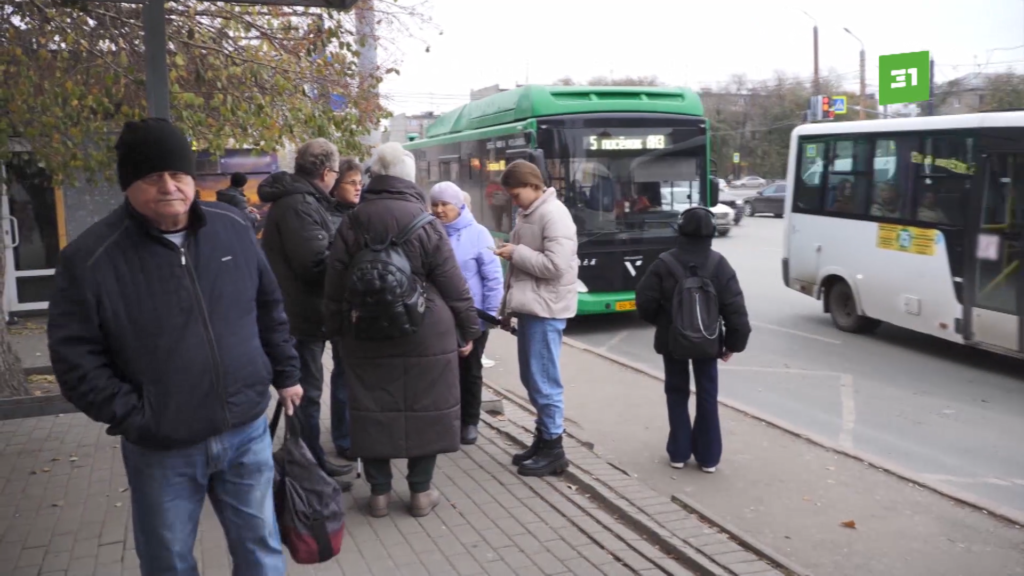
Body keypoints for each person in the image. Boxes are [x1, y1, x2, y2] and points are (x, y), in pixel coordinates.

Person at [47, 118, 302, 575]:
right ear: (128, 185)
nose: (168, 186)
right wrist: (138, 415)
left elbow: (268, 306)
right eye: (151, 177)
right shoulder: (90, 259)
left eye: (178, 174)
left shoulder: (232, 227)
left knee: (261, 551)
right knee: (168, 562)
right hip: (162, 449)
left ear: (192, 179)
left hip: (245, 430)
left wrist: (286, 373)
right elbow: (75, 359)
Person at [324, 143, 479, 518]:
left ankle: (378, 493)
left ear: (375, 174)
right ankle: (421, 492)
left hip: (366, 329)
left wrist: (335, 330)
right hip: (427, 329)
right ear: (411, 178)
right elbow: (453, 284)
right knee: (427, 408)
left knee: (371, 407)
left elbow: (334, 283)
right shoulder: (427, 224)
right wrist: (469, 327)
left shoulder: (353, 220)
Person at [258, 138, 355, 485]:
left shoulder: (302, 200)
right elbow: (315, 264)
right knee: (306, 395)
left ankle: (310, 460)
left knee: (307, 394)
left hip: (305, 314)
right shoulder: (300, 204)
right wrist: (350, 254)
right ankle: (307, 468)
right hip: (301, 316)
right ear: (327, 172)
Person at [635, 207, 751, 473]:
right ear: (711, 232)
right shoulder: (719, 265)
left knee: (676, 392)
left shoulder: (664, 263)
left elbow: (644, 301)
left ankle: (678, 453)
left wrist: (663, 323)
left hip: (672, 340)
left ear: (679, 230)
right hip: (709, 341)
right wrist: (733, 344)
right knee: (707, 394)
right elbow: (735, 309)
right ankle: (709, 457)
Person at [494, 160, 579, 477]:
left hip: (546, 308)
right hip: (536, 306)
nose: (514, 201)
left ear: (533, 186)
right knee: (534, 378)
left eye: (516, 194)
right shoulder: (532, 212)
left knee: (543, 380)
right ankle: (544, 440)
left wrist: (515, 252)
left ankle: (553, 448)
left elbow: (555, 266)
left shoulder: (553, 214)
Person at [430, 181, 504, 445]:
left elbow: (493, 277)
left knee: (469, 371)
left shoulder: (478, 234)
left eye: (444, 204)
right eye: (435, 204)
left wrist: (490, 314)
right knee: (441, 370)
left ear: (459, 206)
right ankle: (445, 420)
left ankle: (469, 421)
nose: (439, 210)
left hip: (473, 315)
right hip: (437, 316)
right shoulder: (429, 232)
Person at [325, 157, 363, 461]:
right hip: (342, 307)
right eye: (352, 182)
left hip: (362, 306)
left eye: (360, 182)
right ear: (335, 185)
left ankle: (356, 431)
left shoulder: (360, 214)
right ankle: (345, 437)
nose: (358, 187)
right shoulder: (329, 216)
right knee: (343, 374)